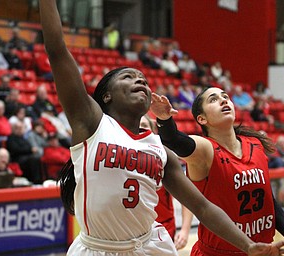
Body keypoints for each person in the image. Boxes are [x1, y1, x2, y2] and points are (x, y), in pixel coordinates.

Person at [39, 1, 284, 255]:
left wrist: (248, 246)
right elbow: (57, 50)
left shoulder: (159, 149)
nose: (140, 81)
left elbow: (202, 207)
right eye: (128, 77)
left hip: (149, 246)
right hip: (98, 248)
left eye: (143, 80)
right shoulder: (92, 123)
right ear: (107, 96)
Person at [151, 87, 284, 255]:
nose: (223, 100)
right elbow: (174, 140)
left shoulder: (254, 144)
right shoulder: (206, 150)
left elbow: (269, 203)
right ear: (202, 119)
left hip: (262, 250)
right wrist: (164, 120)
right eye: (213, 99)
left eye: (225, 96)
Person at [140, 114, 194, 250]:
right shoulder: (119, 159)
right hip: (132, 233)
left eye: (144, 126)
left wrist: (185, 230)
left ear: (153, 132)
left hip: (163, 230)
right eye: (137, 126)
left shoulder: (164, 158)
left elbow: (187, 197)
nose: (140, 128)